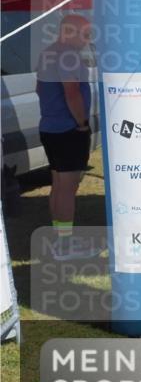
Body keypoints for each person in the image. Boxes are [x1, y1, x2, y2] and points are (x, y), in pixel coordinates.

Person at [35, 14, 94, 257]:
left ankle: (60, 239)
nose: (87, 40)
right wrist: (81, 123)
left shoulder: (47, 53)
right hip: (68, 129)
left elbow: (38, 88)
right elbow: (71, 92)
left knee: (58, 184)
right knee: (68, 187)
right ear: (68, 32)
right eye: (85, 34)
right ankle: (65, 244)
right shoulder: (68, 55)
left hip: (50, 127)